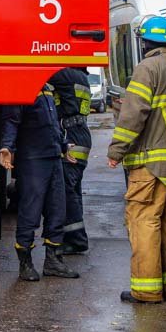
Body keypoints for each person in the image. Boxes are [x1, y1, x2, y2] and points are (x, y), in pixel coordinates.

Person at [107, 16, 166, 304]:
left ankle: (146, 290)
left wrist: (116, 150)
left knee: (144, 221)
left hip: (150, 165)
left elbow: (134, 114)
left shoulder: (147, 69)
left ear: (144, 42)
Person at [0, 84, 80, 282]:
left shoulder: (47, 90)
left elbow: (53, 125)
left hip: (53, 158)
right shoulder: (20, 87)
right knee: (30, 212)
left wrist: (63, 146)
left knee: (57, 210)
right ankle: (25, 264)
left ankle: (53, 261)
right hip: (33, 160)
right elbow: (11, 121)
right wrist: (6, 147)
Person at [48, 66, 93, 255]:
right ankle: (72, 237)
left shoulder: (67, 74)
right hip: (78, 133)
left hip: (72, 136)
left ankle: (77, 239)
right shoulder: (80, 75)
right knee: (72, 188)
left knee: (67, 188)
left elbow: (43, 71)